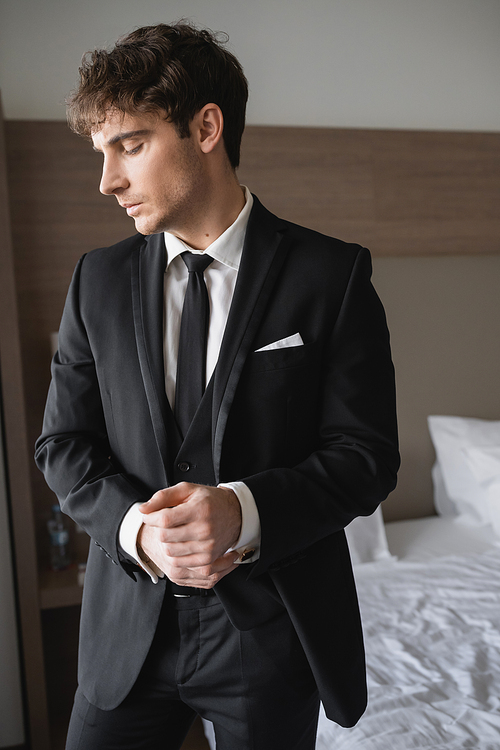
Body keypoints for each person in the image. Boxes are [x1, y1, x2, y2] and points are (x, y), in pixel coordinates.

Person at [35, 22, 399, 750]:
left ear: (206, 127)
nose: (106, 180)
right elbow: (62, 446)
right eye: (101, 153)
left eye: (130, 145)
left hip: (270, 637)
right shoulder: (95, 283)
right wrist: (137, 530)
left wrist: (243, 511)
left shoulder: (333, 277)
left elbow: (366, 456)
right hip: (124, 639)